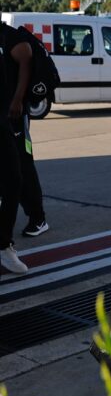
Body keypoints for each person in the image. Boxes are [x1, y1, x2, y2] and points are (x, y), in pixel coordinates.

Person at [0, 21, 48, 238]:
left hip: (14, 116)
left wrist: (18, 100)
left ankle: (37, 218)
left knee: (22, 165)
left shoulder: (9, 36)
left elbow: (26, 62)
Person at [0, 23, 28, 275]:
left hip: (2, 123)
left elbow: (25, 54)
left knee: (13, 180)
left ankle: (4, 245)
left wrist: (18, 98)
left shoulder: (8, 35)